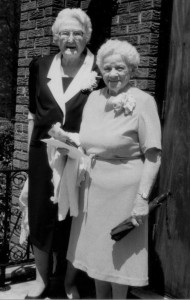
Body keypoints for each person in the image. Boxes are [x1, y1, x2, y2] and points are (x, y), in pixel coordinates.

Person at [66, 39, 162, 299]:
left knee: (119, 255)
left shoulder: (143, 102)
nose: (113, 74)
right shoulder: (94, 98)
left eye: (119, 68)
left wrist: (142, 199)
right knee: (97, 253)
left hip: (125, 191)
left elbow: (153, 156)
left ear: (131, 69)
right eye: (107, 68)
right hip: (92, 188)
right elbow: (88, 140)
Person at [26, 8, 102, 299]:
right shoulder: (40, 65)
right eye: (65, 33)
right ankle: (41, 278)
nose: (71, 39)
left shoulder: (98, 70)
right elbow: (33, 113)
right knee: (40, 214)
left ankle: (69, 281)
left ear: (86, 38)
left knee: (77, 217)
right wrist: (33, 147)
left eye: (78, 34)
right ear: (56, 38)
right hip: (42, 155)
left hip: (81, 155)